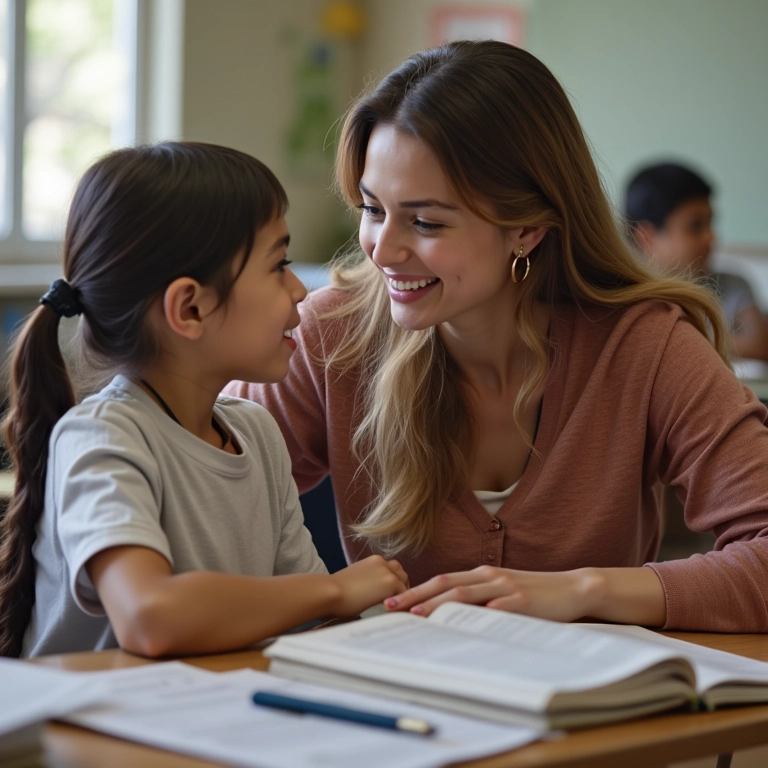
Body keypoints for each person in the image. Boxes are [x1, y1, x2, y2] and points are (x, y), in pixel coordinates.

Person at [226, 41, 768, 633]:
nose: (382, 249)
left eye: (427, 221)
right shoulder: (332, 336)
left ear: (528, 228)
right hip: (388, 708)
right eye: (372, 208)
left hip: (590, 715)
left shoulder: (644, 346)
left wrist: (586, 590)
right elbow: (193, 503)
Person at [0, 142, 408, 659]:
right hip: (93, 734)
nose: (299, 291)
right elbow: (150, 617)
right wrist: (337, 590)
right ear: (190, 308)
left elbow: (308, 616)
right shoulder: (103, 439)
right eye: (277, 264)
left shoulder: (256, 434)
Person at [625, 161, 768, 362]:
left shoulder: (731, 285)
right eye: (696, 226)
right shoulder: (625, 296)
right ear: (647, 236)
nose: (711, 237)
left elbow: (759, 345)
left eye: (711, 223)